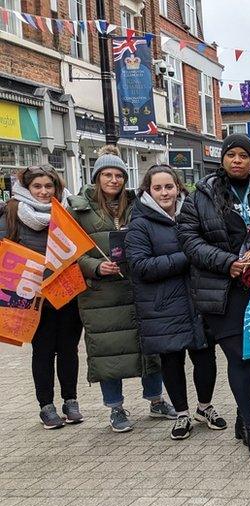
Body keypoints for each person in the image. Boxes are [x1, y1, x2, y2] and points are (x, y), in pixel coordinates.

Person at [177, 134, 250, 462]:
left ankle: (241, 414)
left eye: (243, 155)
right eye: (231, 155)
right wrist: (227, 262)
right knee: (239, 355)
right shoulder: (202, 194)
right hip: (221, 287)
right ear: (222, 158)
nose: (237, 160)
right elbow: (188, 238)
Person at [67, 148, 173, 433]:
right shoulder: (78, 209)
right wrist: (95, 267)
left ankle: (156, 399)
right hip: (101, 294)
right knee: (107, 350)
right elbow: (68, 251)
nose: (113, 181)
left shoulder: (138, 204)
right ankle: (115, 407)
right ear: (97, 177)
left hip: (138, 286)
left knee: (149, 345)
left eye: (119, 176)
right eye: (107, 175)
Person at [125, 165, 226, 440]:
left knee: (205, 357)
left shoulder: (192, 216)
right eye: (157, 188)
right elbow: (140, 266)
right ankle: (181, 414)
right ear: (148, 191)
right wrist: (187, 256)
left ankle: (204, 407)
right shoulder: (140, 224)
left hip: (198, 299)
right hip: (163, 306)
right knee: (172, 361)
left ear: (178, 187)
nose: (164, 192)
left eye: (168, 186)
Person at [0, 166, 83, 429]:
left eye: (49, 186)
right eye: (38, 187)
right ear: (28, 188)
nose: (44, 192)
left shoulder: (68, 211)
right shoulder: (12, 212)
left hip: (66, 291)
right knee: (44, 351)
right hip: (33, 296)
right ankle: (46, 406)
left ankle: (71, 400)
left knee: (69, 349)